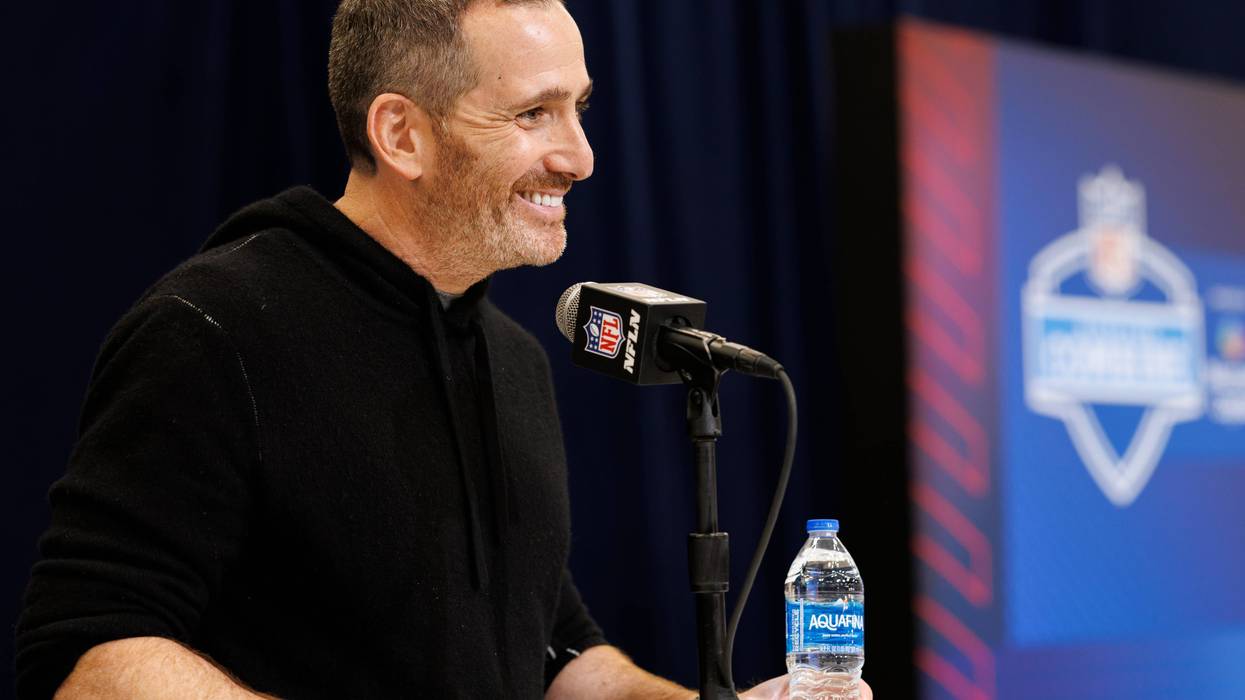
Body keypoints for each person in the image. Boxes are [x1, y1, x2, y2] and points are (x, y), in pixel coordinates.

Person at [16, 1, 870, 698]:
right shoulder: (215, 325)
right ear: (401, 135)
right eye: (533, 113)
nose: (579, 156)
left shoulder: (512, 358)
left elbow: (557, 654)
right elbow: (92, 653)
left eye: (579, 107)